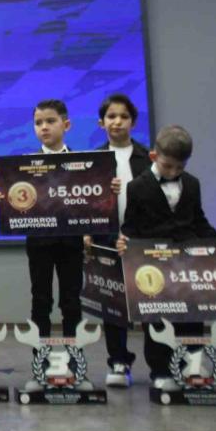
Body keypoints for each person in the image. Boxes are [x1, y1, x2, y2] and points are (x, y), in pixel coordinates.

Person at [117, 125, 216, 391]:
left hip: (188, 264)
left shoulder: (193, 184)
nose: (174, 172)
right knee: (156, 320)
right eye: (168, 166)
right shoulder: (136, 187)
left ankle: (192, 367)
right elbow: (131, 226)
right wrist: (125, 242)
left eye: (180, 167)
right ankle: (160, 371)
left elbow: (199, 222)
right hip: (153, 266)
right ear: (154, 156)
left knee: (193, 316)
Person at [0, 100, 91, 339]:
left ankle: (74, 355)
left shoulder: (85, 165)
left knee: (71, 300)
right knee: (40, 299)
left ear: (66, 125)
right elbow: (18, 203)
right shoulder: (23, 167)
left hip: (72, 242)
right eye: (38, 123)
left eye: (50, 121)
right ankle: (41, 356)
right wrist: (3, 199)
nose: (44, 127)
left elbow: (91, 203)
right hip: (39, 242)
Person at [83, 94, 150, 388]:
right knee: (113, 306)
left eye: (123, 116)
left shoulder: (147, 159)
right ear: (102, 123)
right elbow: (86, 203)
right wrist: (87, 233)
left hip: (142, 241)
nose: (117, 121)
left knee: (150, 304)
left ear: (133, 122)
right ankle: (119, 362)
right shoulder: (94, 160)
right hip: (106, 241)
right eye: (111, 116)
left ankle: (160, 367)